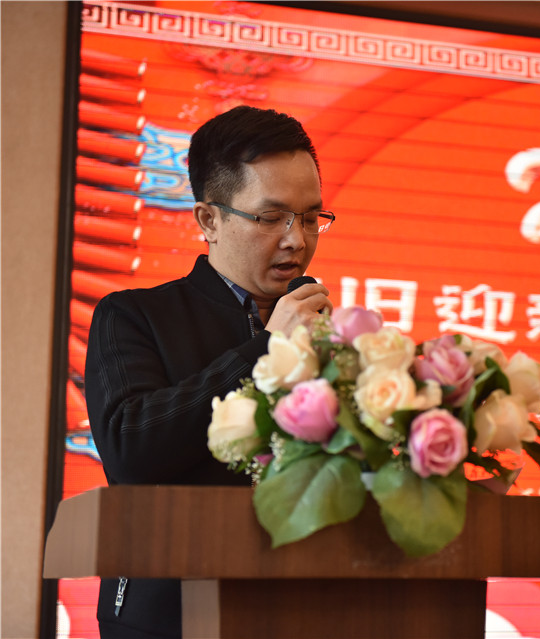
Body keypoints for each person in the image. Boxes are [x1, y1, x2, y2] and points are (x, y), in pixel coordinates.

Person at [85, 105, 334, 638]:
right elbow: (130, 448)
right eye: (271, 217)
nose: (296, 239)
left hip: (307, 610)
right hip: (167, 618)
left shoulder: (327, 334)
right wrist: (267, 349)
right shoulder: (132, 316)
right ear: (209, 220)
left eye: (311, 217)